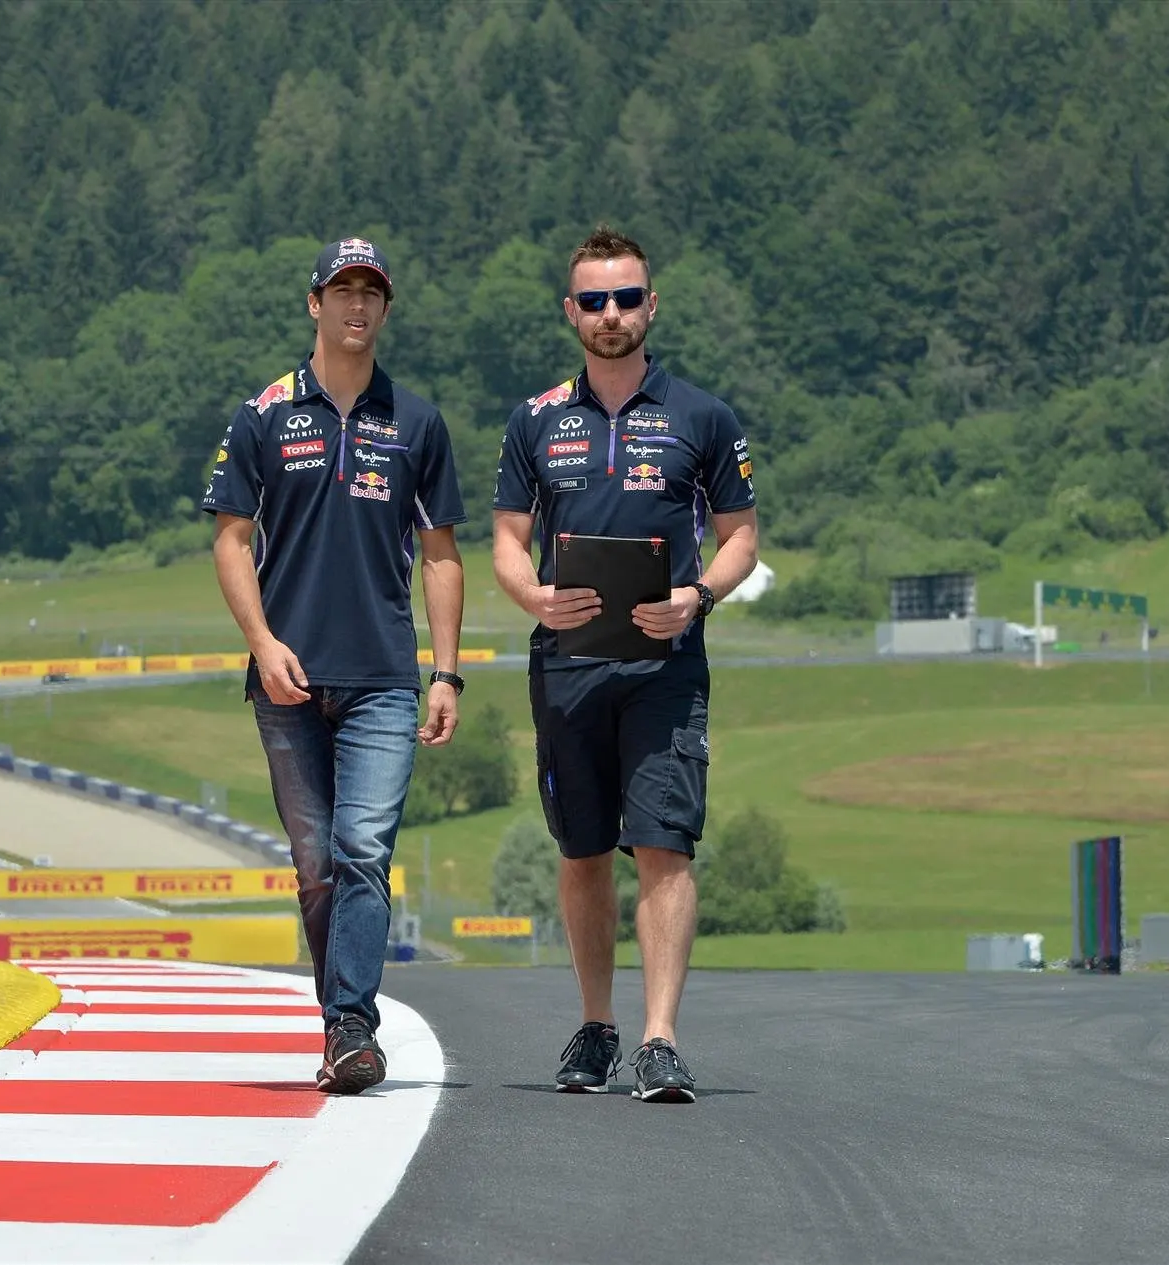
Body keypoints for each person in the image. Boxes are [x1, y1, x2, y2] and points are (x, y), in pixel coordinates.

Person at [492, 225, 759, 1104]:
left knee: (664, 845)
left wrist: (700, 598)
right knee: (581, 850)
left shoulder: (704, 417)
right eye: (596, 300)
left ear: (653, 305)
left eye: (628, 297)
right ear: (571, 312)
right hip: (566, 663)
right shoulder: (534, 421)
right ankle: (597, 1024)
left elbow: (740, 540)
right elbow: (504, 542)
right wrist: (533, 596)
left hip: (666, 666)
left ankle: (659, 1038)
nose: (613, 314)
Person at [202, 235, 467, 1096]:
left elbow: (441, 556)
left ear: (386, 309)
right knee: (315, 862)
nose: (357, 305)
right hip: (286, 678)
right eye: (342, 289)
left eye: (372, 292)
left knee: (361, 848)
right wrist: (261, 641)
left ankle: (353, 1023)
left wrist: (446, 671)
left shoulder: (417, 421)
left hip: (386, 675)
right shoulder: (265, 413)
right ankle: (340, 1025)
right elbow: (231, 539)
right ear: (313, 303)